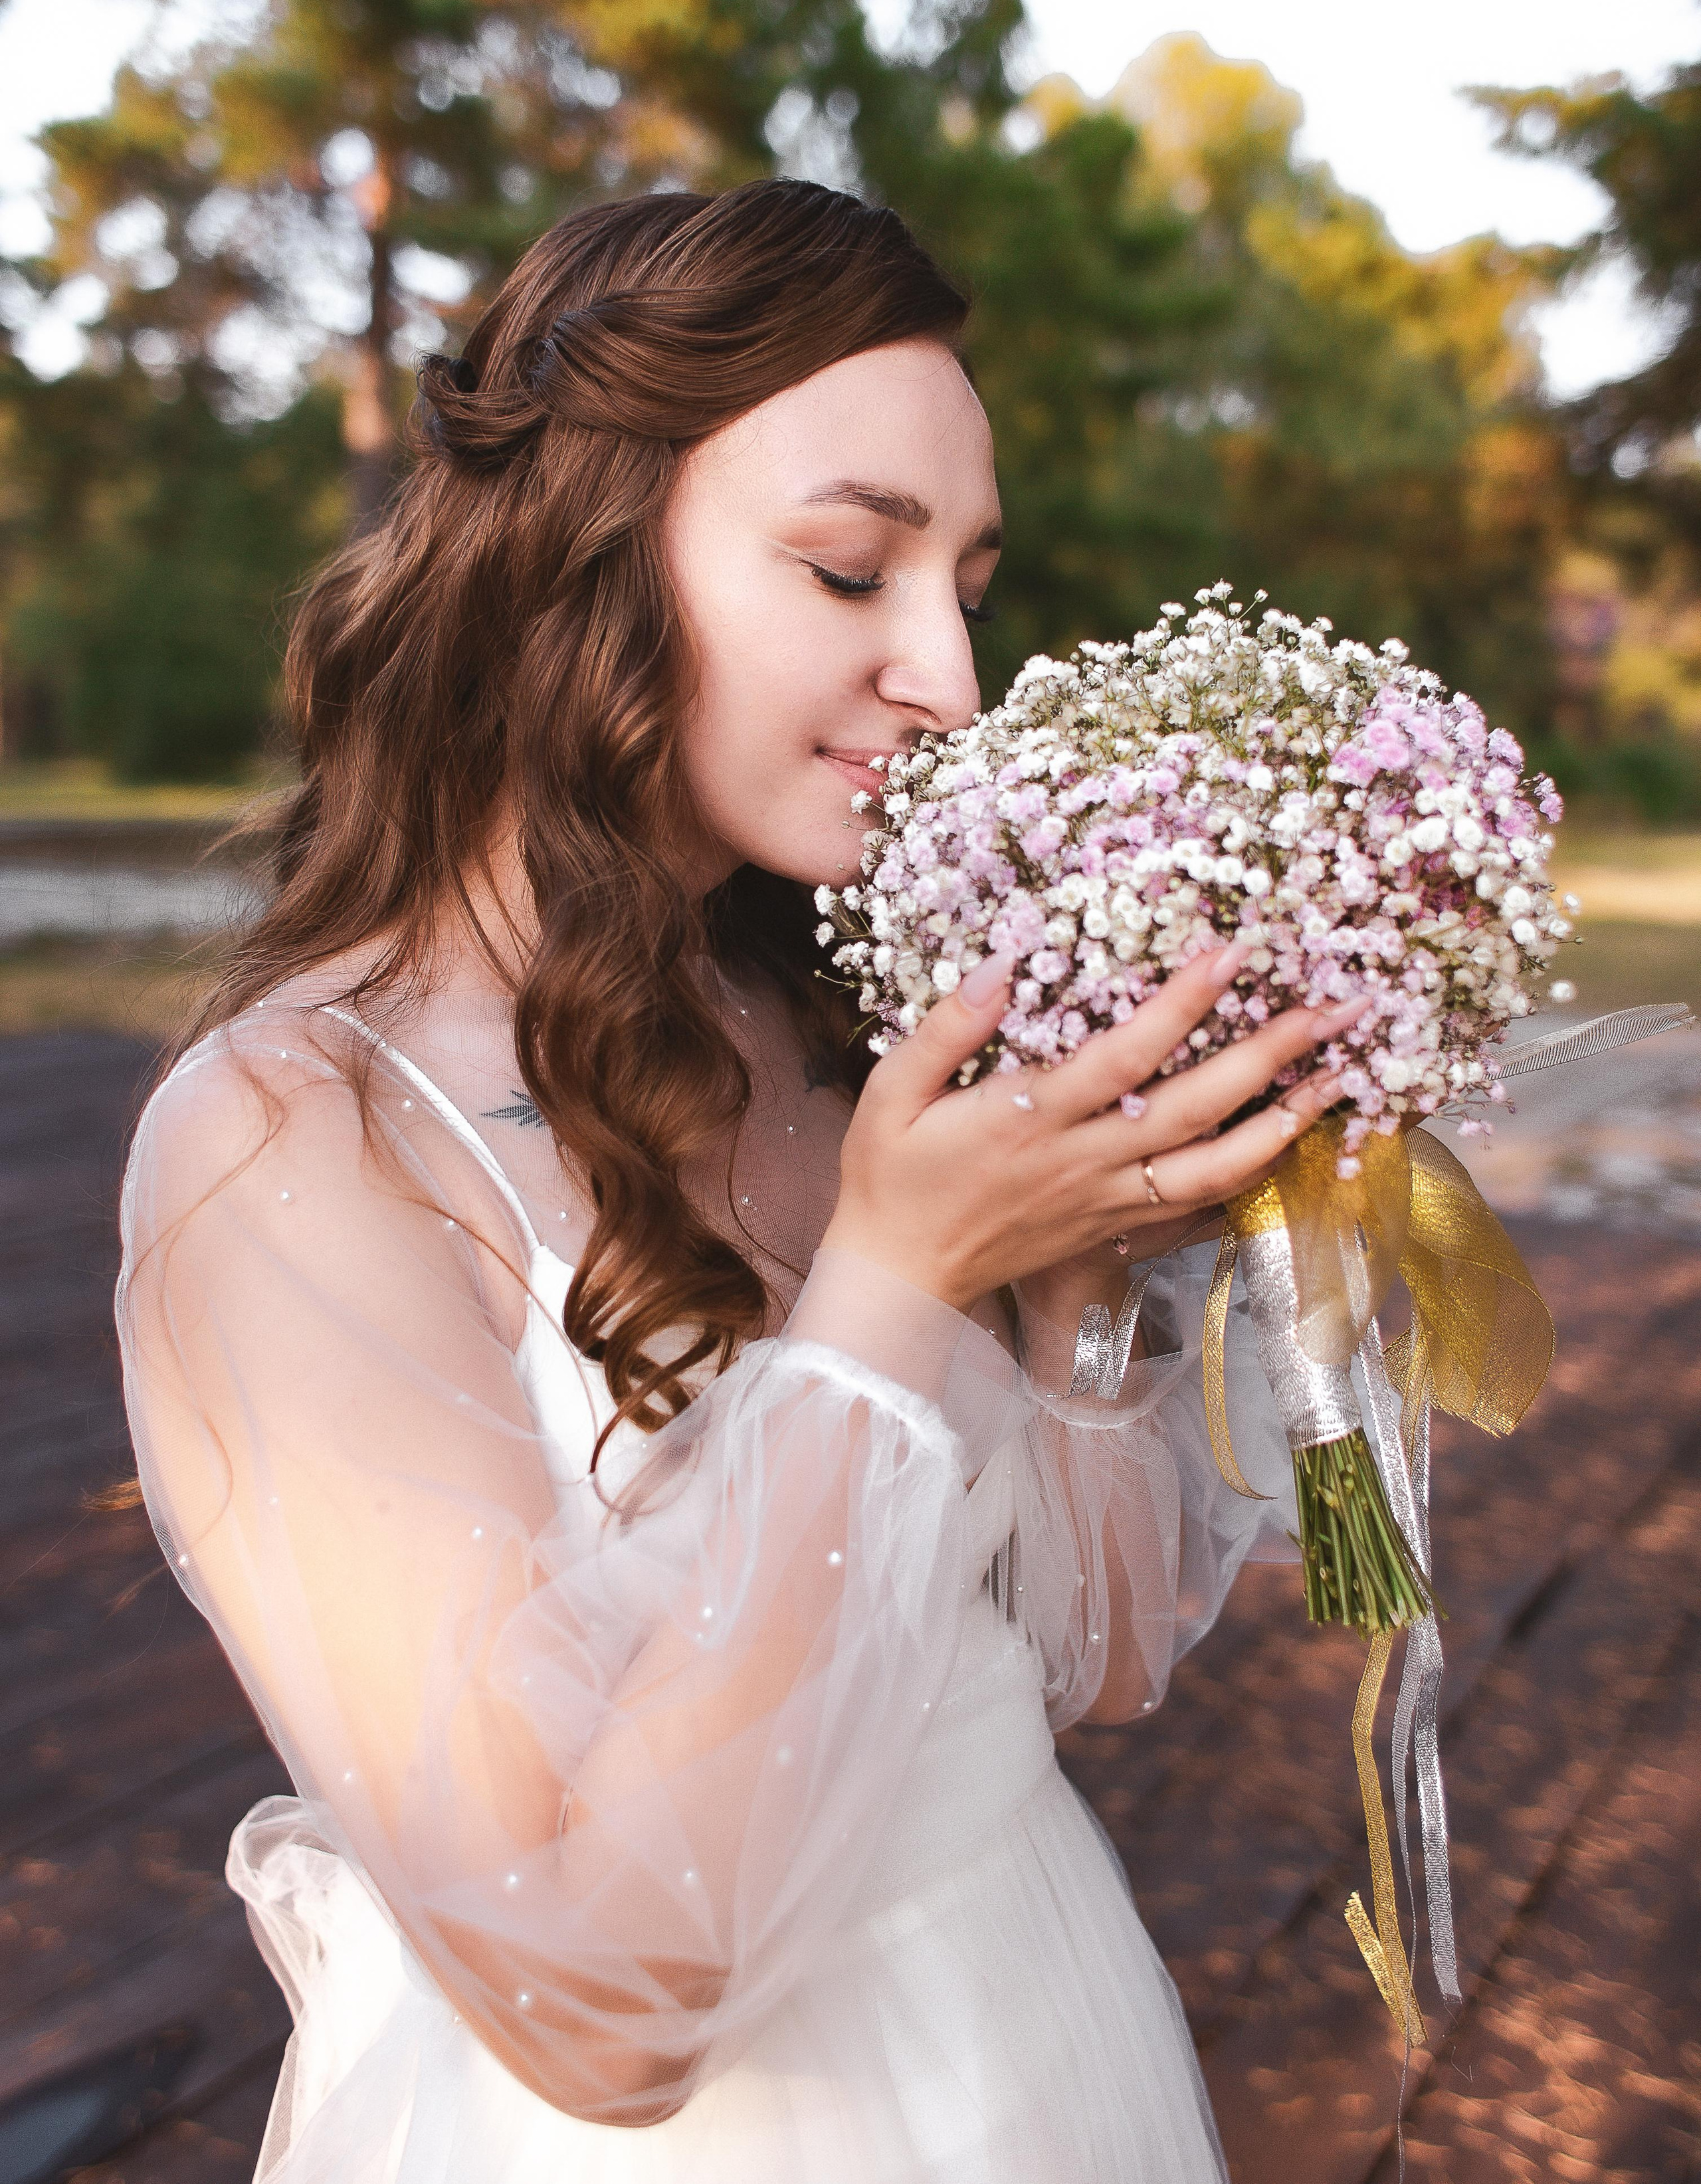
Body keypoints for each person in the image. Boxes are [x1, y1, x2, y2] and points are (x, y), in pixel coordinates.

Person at [116, 177, 1365, 2183]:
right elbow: (600, 2007)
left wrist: (1081, 1265)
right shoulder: (290, 1139)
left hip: (1039, 2040)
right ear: (578, 563)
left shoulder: (835, 1022)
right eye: (852, 571)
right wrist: (888, 1285)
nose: (953, 680)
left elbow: (1098, 1659)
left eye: (967, 578)